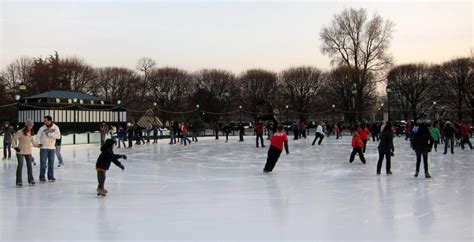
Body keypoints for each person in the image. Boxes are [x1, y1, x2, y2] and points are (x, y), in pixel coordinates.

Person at [12, 120, 40, 187]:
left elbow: (33, 141)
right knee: (20, 165)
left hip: (28, 151)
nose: (30, 127)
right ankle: (19, 181)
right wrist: (15, 147)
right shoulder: (20, 132)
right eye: (29, 125)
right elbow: (13, 139)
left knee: (29, 166)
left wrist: (38, 145)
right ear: (26, 125)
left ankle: (31, 180)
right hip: (20, 151)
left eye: (31, 126)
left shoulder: (31, 132)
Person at [36, 116, 61, 182]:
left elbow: (58, 136)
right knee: (43, 163)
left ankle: (50, 176)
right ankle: (42, 177)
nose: (44, 122)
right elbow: (37, 136)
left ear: (50, 121)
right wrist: (39, 143)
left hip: (52, 148)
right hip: (43, 148)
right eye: (44, 121)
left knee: (51, 163)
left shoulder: (55, 127)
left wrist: (51, 134)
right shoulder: (42, 128)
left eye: (45, 121)